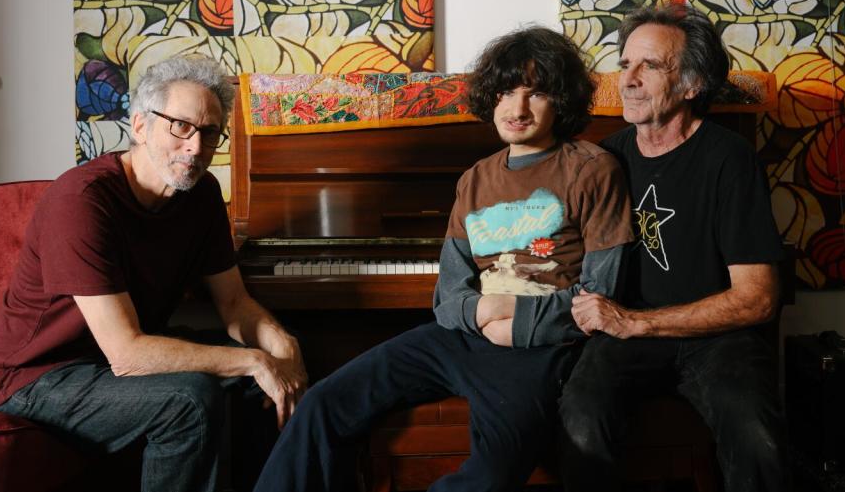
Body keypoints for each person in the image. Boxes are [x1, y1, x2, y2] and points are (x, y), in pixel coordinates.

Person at [252, 26, 632, 492]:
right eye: (507, 92)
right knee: (324, 404)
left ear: (562, 100)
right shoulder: (474, 179)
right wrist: (480, 311)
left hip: (539, 351)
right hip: (460, 336)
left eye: (536, 94)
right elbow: (449, 294)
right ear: (491, 98)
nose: (517, 108)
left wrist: (512, 316)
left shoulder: (593, 169)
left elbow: (601, 294)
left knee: (493, 474)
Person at [0, 56, 307, 492]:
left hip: (106, 365)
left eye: (209, 134)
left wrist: (281, 346)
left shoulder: (202, 193)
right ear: (140, 126)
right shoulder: (81, 200)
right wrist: (252, 359)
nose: (195, 147)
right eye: (181, 127)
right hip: (33, 377)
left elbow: (233, 303)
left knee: (260, 385)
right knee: (190, 400)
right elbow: (127, 353)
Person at [558, 3, 790, 492]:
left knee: (758, 441)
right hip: (626, 336)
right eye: (625, 65)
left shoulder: (730, 159)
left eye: (651, 66)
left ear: (691, 84)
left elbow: (758, 298)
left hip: (717, 340)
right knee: (580, 417)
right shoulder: (607, 158)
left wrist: (637, 321)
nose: (629, 79)